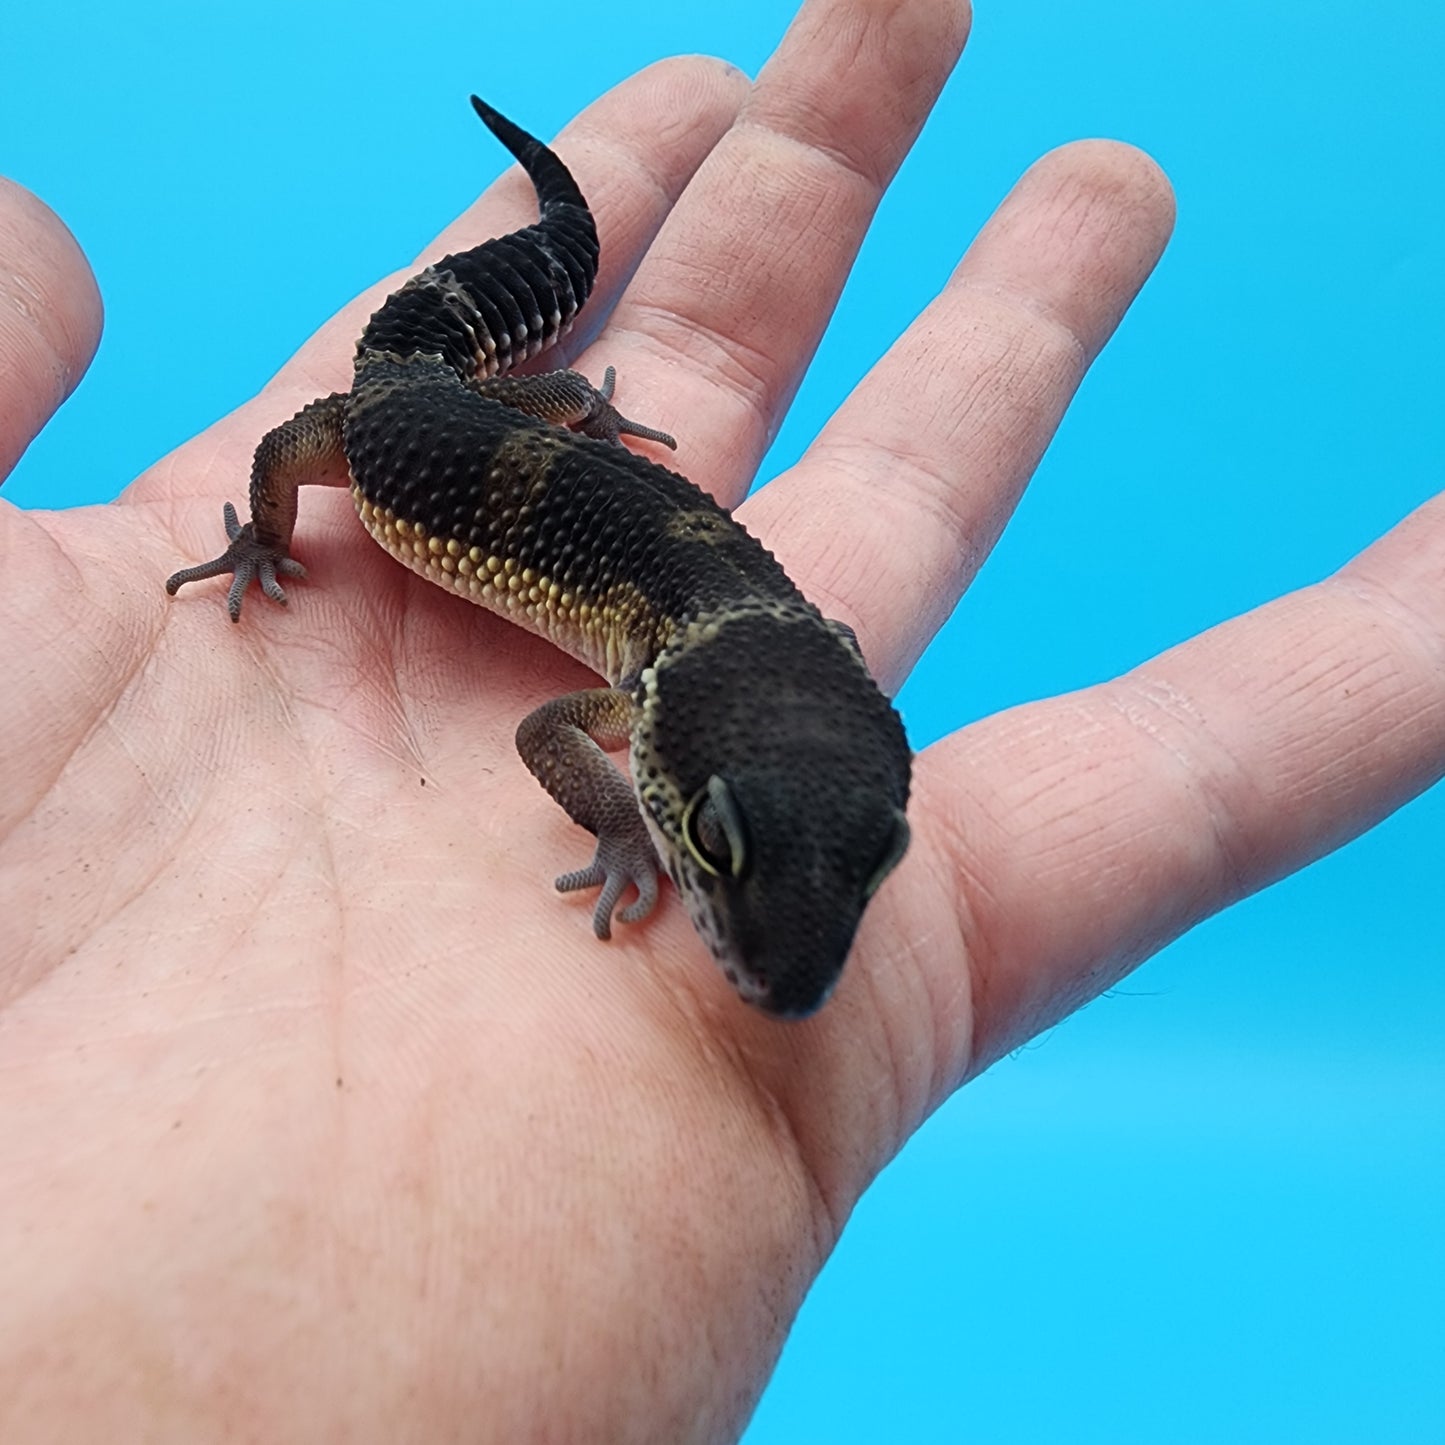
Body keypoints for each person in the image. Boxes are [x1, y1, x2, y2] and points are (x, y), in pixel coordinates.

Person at [1, 0, 1439, 1437]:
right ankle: (545, 242)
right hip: (399, 428)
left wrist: (573, 431)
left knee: (519, 389)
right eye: (716, 842)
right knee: (312, 437)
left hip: (522, 435)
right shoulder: (660, 681)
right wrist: (278, 543)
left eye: (851, 862)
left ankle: (550, 277)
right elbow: (543, 736)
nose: (778, 948)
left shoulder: (744, 660)